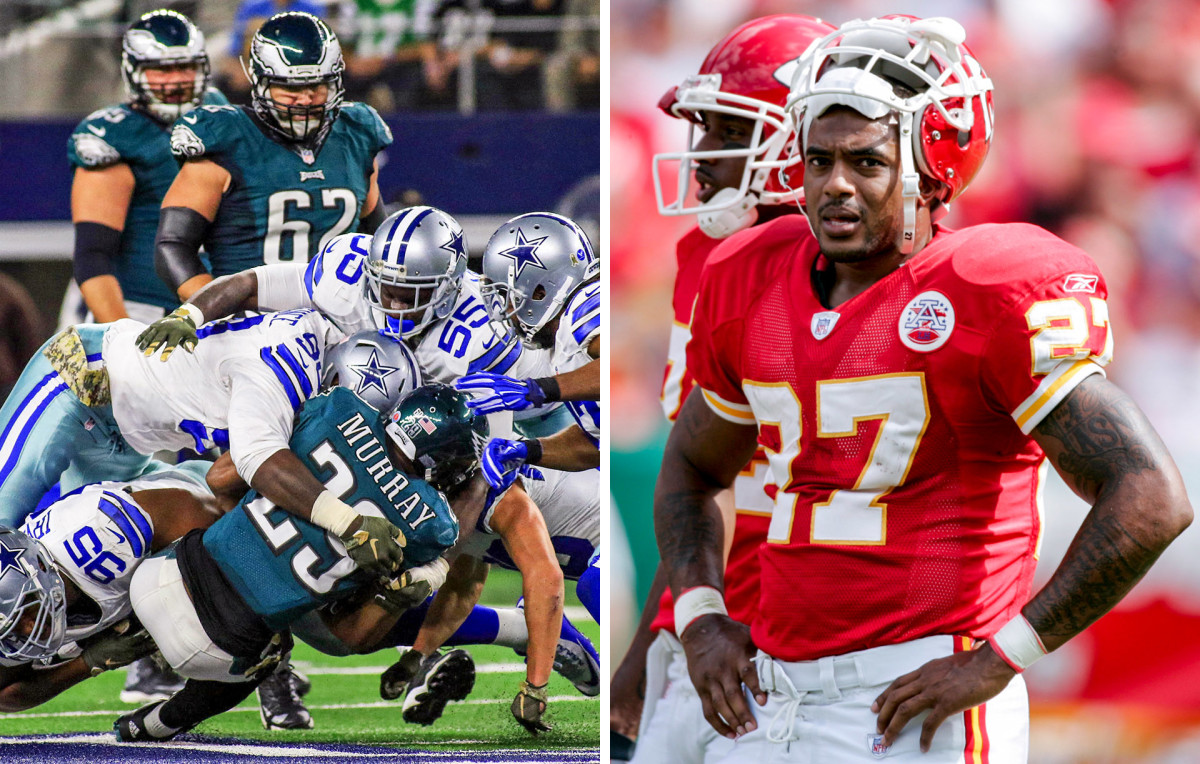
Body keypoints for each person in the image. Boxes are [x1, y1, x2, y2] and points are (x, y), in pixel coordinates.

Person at [655, 15, 1193, 763]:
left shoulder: (989, 288)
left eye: (865, 162)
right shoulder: (753, 274)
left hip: (912, 699)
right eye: (818, 159)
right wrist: (702, 616)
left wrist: (1001, 657)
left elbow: (1150, 496)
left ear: (928, 170)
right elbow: (690, 470)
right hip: (768, 695)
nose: (833, 184)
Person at [134, 208, 595, 732]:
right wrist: (190, 316)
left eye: (411, 292)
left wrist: (435, 556)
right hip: (348, 423)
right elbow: (248, 284)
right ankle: (512, 632)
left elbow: (484, 468)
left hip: (448, 450)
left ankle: (528, 635)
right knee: (240, 493)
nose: (394, 302)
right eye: (388, 288)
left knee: (361, 613)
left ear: (446, 288)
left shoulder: (481, 338)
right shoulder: (344, 273)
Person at [609, 15, 834, 763]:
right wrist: (660, 631)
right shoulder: (710, 255)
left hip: (814, 644)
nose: (702, 157)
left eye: (729, 131)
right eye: (704, 129)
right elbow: (695, 478)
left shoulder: (869, 277)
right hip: (708, 620)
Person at [115, 383, 458, 741]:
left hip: (155, 577)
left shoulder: (338, 408)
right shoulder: (430, 525)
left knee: (197, 503)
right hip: (216, 651)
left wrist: (248, 527)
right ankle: (158, 723)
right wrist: (430, 573)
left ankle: (84, 644)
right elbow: (349, 635)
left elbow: (221, 477)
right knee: (275, 652)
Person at [0, 311, 407, 587]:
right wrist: (347, 523)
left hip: (131, 440)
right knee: (3, 517)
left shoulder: (316, 351)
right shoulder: (283, 372)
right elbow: (258, 461)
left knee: (72, 568)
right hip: (80, 381)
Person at [155, 11, 389, 303]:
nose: (305, 98)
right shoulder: (226, 137)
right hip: (251, 322)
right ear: (261, 81)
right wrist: (215, 309)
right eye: (290, 87)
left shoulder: (357, 133)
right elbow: (173, 245)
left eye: (317, 86)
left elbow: (378, 239)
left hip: (339, 317)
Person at [0, 462, 228, 711]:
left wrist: (187, 604)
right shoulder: (18, 605)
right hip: (140, 567)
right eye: (13, 624)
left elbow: (217, 519)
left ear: (40, 570)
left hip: (209, 494)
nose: (28, 629)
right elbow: (6, 696)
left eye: (25, 612)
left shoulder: (103, 532)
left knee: (208, 631)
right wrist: (92, 661)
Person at [69, 10, 227, 326]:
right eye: (161, 70)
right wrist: (121, 332)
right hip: (141, 311)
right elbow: (92, 257)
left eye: (184, 67)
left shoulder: (218, 110)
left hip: (214, 307)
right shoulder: (112, 135)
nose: (175, 80)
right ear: (133, 71)